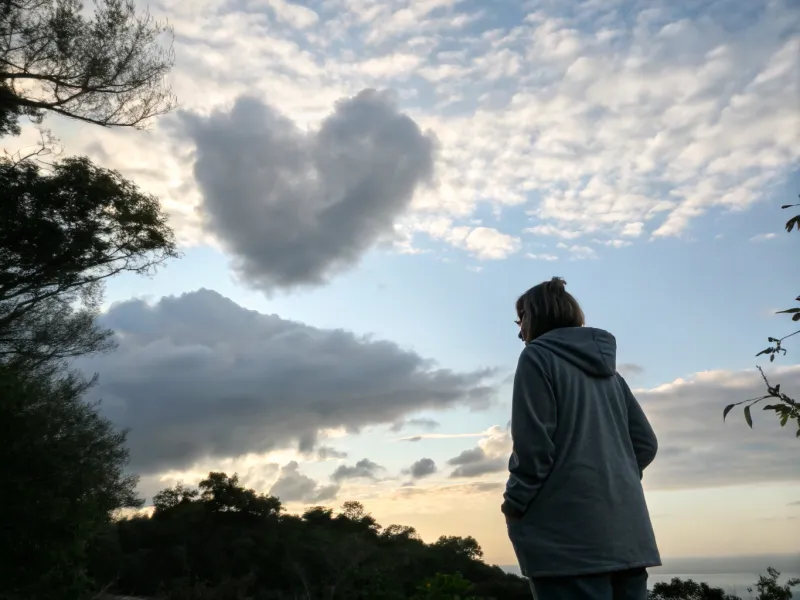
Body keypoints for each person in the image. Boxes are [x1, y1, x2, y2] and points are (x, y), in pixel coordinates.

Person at [502, 276, 660, 600]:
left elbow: (533, 447)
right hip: (629, 536)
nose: (520, 332)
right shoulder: (611, 375)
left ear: (537, 317)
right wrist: (613, 479)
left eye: (522, 321)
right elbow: (646, 444)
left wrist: (515, 502)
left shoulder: (537, 357)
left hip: (567, 543)